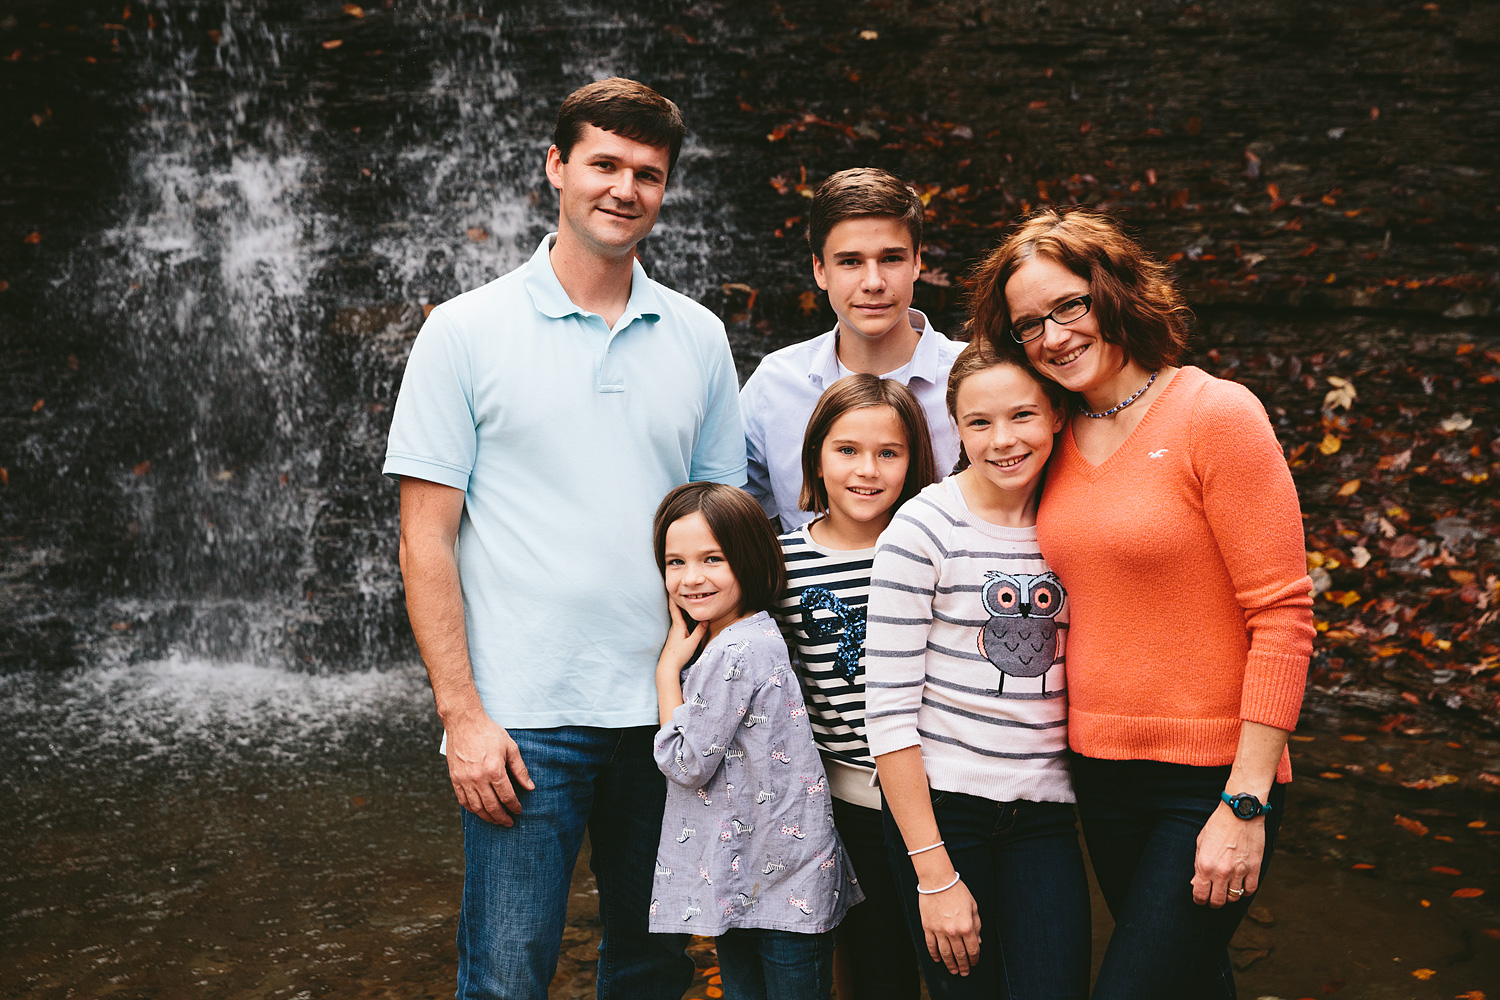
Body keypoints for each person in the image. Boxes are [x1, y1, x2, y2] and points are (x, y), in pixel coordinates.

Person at [384, 78, 745, 1000]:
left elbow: (721, 532)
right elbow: (426, 540)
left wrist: (710, 692)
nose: (625, 189)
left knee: (653, 966)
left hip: (668, 710)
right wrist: (463, 717)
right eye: (605, 164)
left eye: (648, 174)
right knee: (506, 977)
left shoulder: (699, 338)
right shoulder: (464, 332)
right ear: (556, 167)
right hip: (524, 720)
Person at [973, 206, 1315, 999]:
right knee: (1193, 978)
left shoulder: (1214, 415)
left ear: (1114, 292)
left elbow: (1284, 617)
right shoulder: (1046, 437)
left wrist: (1246, 800)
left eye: (1070, 306)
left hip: (1210, 777)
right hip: (1098, 771)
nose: (1054, 336)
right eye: (1029, 324)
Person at [866, 338, 1091, 1000]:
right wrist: (933, 874)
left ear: (1055, 412)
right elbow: (888, 716)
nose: (1003, 440)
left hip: (1045, 808)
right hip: (944, 809)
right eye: (979, 423)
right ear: (956, 429)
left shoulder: (1076, 522)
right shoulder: (924, 529)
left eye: (1021, 415)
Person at [649, 482, 863, 1000]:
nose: (691, 578)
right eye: (674, 562)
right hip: (767, 876)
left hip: (771, 882)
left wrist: (666, 670)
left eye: (713, 559)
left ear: (748, 558)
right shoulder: (759, 633)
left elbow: (685, 760)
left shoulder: (733, 651)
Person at [772, 374, 936, 1000]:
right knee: (874, 970)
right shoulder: (780, 564)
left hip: (939, 795)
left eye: (888, 453)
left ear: (912, 461)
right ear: (816, 455)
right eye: (847, 450)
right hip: (845, 806)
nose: (867, 471)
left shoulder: (931, 546)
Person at [741, 167, 963, 531]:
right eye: (850, 262)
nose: (873, 282)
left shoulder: (975, 377)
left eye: (891, 258)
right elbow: (725, 512)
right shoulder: (775, 384)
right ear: (820, 270)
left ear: (917, 262)